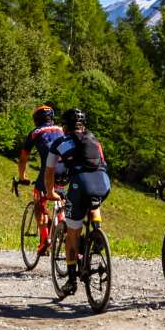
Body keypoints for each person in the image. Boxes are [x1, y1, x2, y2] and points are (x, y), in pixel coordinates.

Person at [46, 108, 110, 296]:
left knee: (72, 233)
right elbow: (101, 163)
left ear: (64, 126)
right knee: (94, 201)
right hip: (103, 183)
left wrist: (50, 192)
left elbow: (49, 171)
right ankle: (97, 232)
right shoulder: (94, 140)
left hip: (80, 184)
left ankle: (72, 281)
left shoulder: (60, 142)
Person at [17, 103, 66, 255]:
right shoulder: (62, 130)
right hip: (66, 171)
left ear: (36, 120)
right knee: (59, 194)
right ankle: (63, 220)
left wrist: (22, 177)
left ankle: (44, 240)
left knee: (38, 199)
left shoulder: (35, 132)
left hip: (49, 171)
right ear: (52, 118)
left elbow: (23, 157)